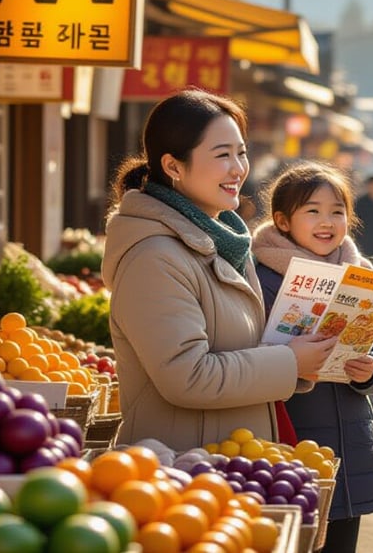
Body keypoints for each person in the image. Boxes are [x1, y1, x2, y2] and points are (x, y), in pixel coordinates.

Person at [102, 88, 337, 451]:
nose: (238, 168)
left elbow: (242, 350)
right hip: (180, 470)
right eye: (222, 154)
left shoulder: (227, 242)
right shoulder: (153, 257)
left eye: (241, 153)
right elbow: (187, 376)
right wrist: (289, 361)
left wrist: (302, 357)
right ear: (173, 166)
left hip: (232, 459)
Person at [252, 162, 373, 553]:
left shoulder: (361, 277)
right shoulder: (259, 277)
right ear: (282, 221)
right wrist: (288, 360)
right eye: (312, 210)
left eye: (337, 211)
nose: (327, 221)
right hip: (291, 444)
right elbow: (244, 356)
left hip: (350, 454)